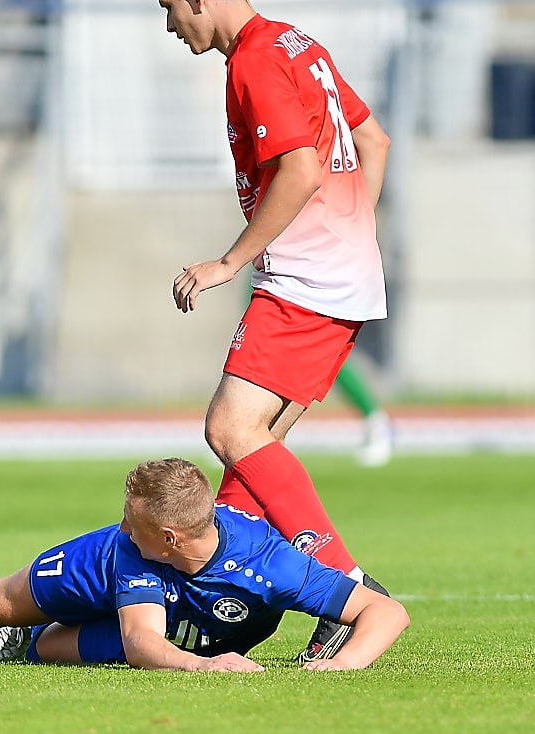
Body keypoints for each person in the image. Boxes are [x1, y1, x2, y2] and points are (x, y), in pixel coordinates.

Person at [155, 1, 394, 661]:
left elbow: (302, 169)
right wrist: (351, 235)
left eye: (168, 7)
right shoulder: (295, 42)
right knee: (254, 454)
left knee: (231, 430)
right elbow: (374, 141)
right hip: (340, 276)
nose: (170, 26)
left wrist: (228, 262)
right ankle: (221, 598)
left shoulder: (256, 59)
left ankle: (348, 591)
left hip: (306, 281)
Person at [0, 458, 409, 672]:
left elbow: (385, 612)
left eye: (132, 519)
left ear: (171, 537)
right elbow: (142, 643)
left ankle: (26, 639)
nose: (123, 525)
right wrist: (205, 668)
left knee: (45, 650)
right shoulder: (126, 546)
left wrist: (343, 666)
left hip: (189, 628)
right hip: (105, 577)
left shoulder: (270, 563)